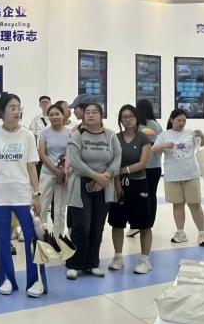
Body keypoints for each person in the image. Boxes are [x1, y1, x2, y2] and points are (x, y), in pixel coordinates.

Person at [0, 93, 47, 297]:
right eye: (12, 107)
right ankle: (7, 280)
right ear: (2, 111)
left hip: (22, 194)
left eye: (19, 107)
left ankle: (34, 281)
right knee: (3, 239)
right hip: (0, 194)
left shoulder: (27, 135)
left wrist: (36, 194)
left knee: (31, 238)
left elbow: (31, 167)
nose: (17, 111)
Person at [65, 102, 121, 279]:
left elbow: (117, 157)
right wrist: (97, 176)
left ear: (101, 115)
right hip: (81, 184)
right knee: (81, 226)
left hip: (104, 185)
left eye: (94, 112)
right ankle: (74, 264)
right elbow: (75, 161)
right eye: (87, 112)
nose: (90, 115)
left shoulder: (110, 136)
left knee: (97, 226)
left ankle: (92, 263)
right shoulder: (77, 136)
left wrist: (107, 175)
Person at [107, 105, 155, 274]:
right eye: (124, 117)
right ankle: (118, 257)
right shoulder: (115, 138)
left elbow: (142, 163)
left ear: (136, 118)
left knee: (144, 224)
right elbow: (113, 162)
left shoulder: (144, 137)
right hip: (119, 185)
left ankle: (145, 260)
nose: (128, 119)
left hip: (139, 185)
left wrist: (123, 170)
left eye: (131, 116)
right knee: (117, 222)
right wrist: (117, 183)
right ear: (120, 119)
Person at [152, 109, 204, 247]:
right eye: (179, 120)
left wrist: (202, 136)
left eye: (184, 120)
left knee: (195, 204)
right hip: (172, 176)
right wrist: (164, 145)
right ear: (172, 120)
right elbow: (154, 150)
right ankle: (180, 232)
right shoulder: (164, 135)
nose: (182, 123)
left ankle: (202, 233)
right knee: (177, 205)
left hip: (191, 174)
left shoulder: (191, 133)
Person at [130, 99, 163, 240]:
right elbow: (160, 144)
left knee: (138, 196)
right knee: (151, 195)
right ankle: (149, 223)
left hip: (140, 167)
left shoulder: (137, 126)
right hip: (155, 166)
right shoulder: (156, 125)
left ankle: (137, 224)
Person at [38, 103, 70, 237]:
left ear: (63, 115)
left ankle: (58, 238)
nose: (54, 117)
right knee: (42, 206)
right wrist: (55, 170)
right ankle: (41, 237)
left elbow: (70, 154)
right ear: (48, 117)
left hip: (63, 175)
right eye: (51, 115)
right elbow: (42, 153)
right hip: (47, 173)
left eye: (57, 114)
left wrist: (62, 172)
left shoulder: (69, 133)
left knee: (60, 208)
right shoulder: (44, 132)